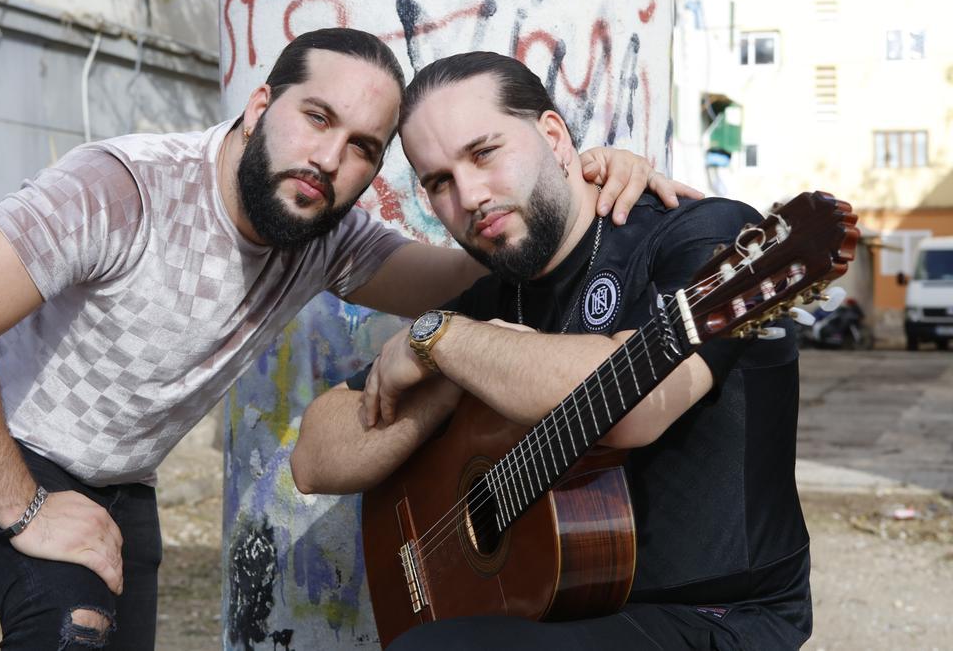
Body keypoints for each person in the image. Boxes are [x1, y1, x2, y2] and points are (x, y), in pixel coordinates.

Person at [0, 27, 694, 649]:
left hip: (116, 476)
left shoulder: (323, 235)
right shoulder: (123, 188)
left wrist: (582, 179)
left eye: (363, 149)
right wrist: (26, 512)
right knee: (70, 620)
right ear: (262, 105)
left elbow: (474, 266)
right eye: (317, 117)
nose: (329, 159)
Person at [292, 51, 811, 650]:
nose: (470, 194)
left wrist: (440, 339)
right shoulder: (494, 297)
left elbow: (634, 406)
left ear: (553, 134)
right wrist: (453, 374)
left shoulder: (705, 236)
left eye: (483, 153)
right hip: (562, 606)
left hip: (713, 615)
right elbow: (315, 459)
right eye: (439, 182)